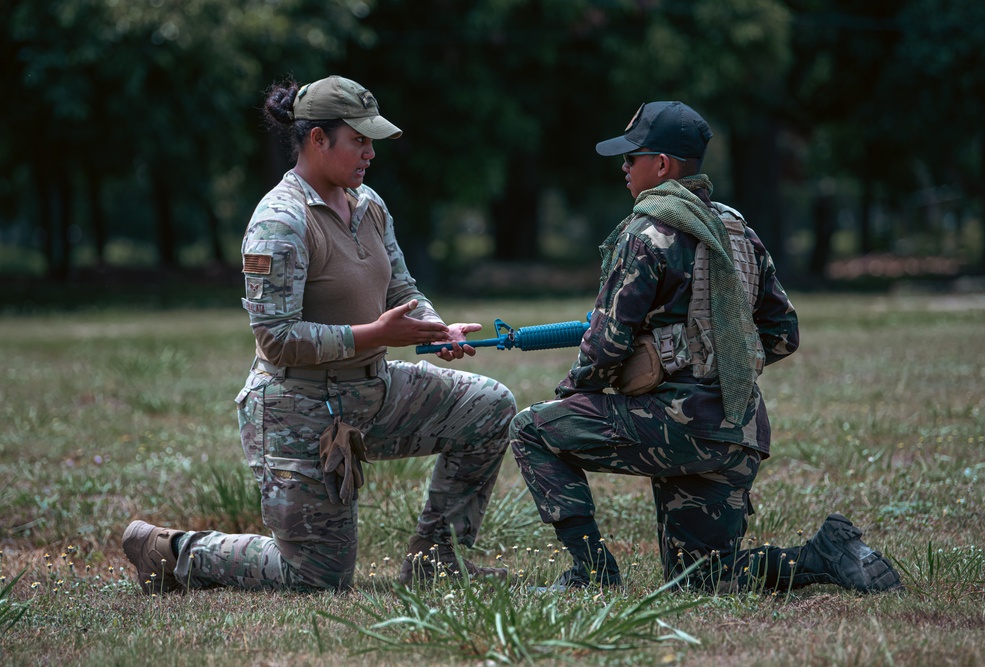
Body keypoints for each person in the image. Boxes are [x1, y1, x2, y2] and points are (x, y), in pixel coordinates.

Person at [122, 75, 516, 593]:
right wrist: (375, 333)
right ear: (317, 139)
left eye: (371, 141)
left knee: (489, 407)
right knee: (316, 577)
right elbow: (276, 338)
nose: (370, 153)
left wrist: (434, 327)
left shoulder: (369, 203)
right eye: (359, 140)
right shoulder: (279, 222)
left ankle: (436, 563)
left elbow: (402, 287)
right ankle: (171, 551)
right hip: (297, 409)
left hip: (372, 391)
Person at [509, 101, 902, 594]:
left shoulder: (646, 233)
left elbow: (605, 346)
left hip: (676, 427)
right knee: (701, 583)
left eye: (633, 157)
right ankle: (823, 556)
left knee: (530, 429)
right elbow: (783, 333)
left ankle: (591, 574)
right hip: (738, 431)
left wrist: (575, 394)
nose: (624, 167)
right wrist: (718, 366)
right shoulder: (737, 230)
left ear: (663, 166)